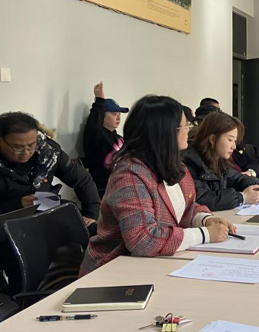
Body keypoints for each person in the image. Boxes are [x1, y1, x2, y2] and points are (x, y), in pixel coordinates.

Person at [80, 96, 235, 276]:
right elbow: (142, 239)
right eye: (184, 125)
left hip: (156, 265)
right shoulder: (130, 175)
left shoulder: (176, 167)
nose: (189, 129)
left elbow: (186, 207)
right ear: (165, 133)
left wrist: (204, 219)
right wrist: (204, 234)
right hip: (113, 272)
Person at [0, 112, 100, 226]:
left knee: (90, 229)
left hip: (47, 205)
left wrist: (91, 216)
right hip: (9, 220)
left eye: (31, 145)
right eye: (17, 147)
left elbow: (82, 180)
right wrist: (18, 204)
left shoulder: (49, 151)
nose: (26, 152)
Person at [185, 112, 259, 211]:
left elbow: (236, 178)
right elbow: (201, 199)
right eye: (230, 140)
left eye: (235, 141)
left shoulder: (218, 159)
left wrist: (257, 186)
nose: (234, 146)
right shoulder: (189, 162)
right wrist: (242, 197)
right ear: (212, 139)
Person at [83, 81, 128, 198]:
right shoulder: (97, 137)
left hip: (122, 187)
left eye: (119, 114)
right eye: (113, 114)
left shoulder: (119, 138)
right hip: (104, 191)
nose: (118, 118)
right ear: (102, 115)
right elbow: (93, 124)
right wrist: (99, 100)